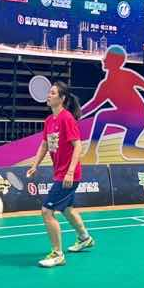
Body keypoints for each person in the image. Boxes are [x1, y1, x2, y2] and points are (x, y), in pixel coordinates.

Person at [26, 81, 93, 268]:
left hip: (68, 175)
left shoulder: (66, 118)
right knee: (67, 208)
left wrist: (70, 172)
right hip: (60, 173)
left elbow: (78, 146)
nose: (48, 95)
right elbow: (45, 145)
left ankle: (57, 254)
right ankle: (85, 238)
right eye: (49, 92)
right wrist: (35, 165)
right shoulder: (49, 120)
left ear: (62, 98)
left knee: (47, 211)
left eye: (53, 93)